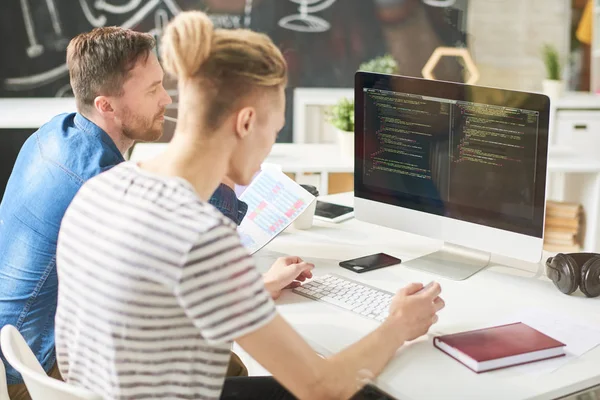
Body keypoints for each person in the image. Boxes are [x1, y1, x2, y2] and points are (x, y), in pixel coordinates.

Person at [55, 10, 445, 399]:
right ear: (244, 123)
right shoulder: (200, 234)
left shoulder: (103, 187)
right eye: (273, 131)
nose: (270, 148)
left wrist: (251, 290)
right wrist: (398, 325)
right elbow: (321, 387)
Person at [0, 26, 248, 399]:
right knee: (224, 365)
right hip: (36, 373)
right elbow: (192, 270)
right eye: (152, 91)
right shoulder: (101, 183)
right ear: (106, 105)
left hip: (19, 348)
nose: (166, 98)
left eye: (161, 83)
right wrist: (225, 175)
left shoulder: (55, 132)